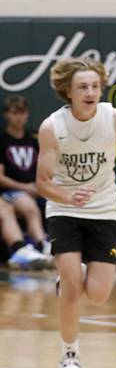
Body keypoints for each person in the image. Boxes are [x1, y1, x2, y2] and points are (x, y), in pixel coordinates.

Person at [36, 57, 116, 368]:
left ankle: (73, 275)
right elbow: (42, 183)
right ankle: (69, 355)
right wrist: (67, 196)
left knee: (99, 294)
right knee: (73, 289)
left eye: (95, 86)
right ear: (67, 92)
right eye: (82, 87)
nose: (90, 92)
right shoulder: (52, 128)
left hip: (103, 209)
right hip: (64, 211)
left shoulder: (113, 119)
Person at [0, 95, 53, 264]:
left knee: (62, 201)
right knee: (28, 207)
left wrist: (42, 185)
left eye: (22, 112)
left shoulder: (33, 141)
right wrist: (25, 187)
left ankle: (60, 246)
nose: (19, 117)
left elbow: (45, 170)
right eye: (15, 112)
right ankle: (39, 245)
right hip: (11, 191)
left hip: (36, 188)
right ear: (7, 115)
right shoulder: (2, 140)